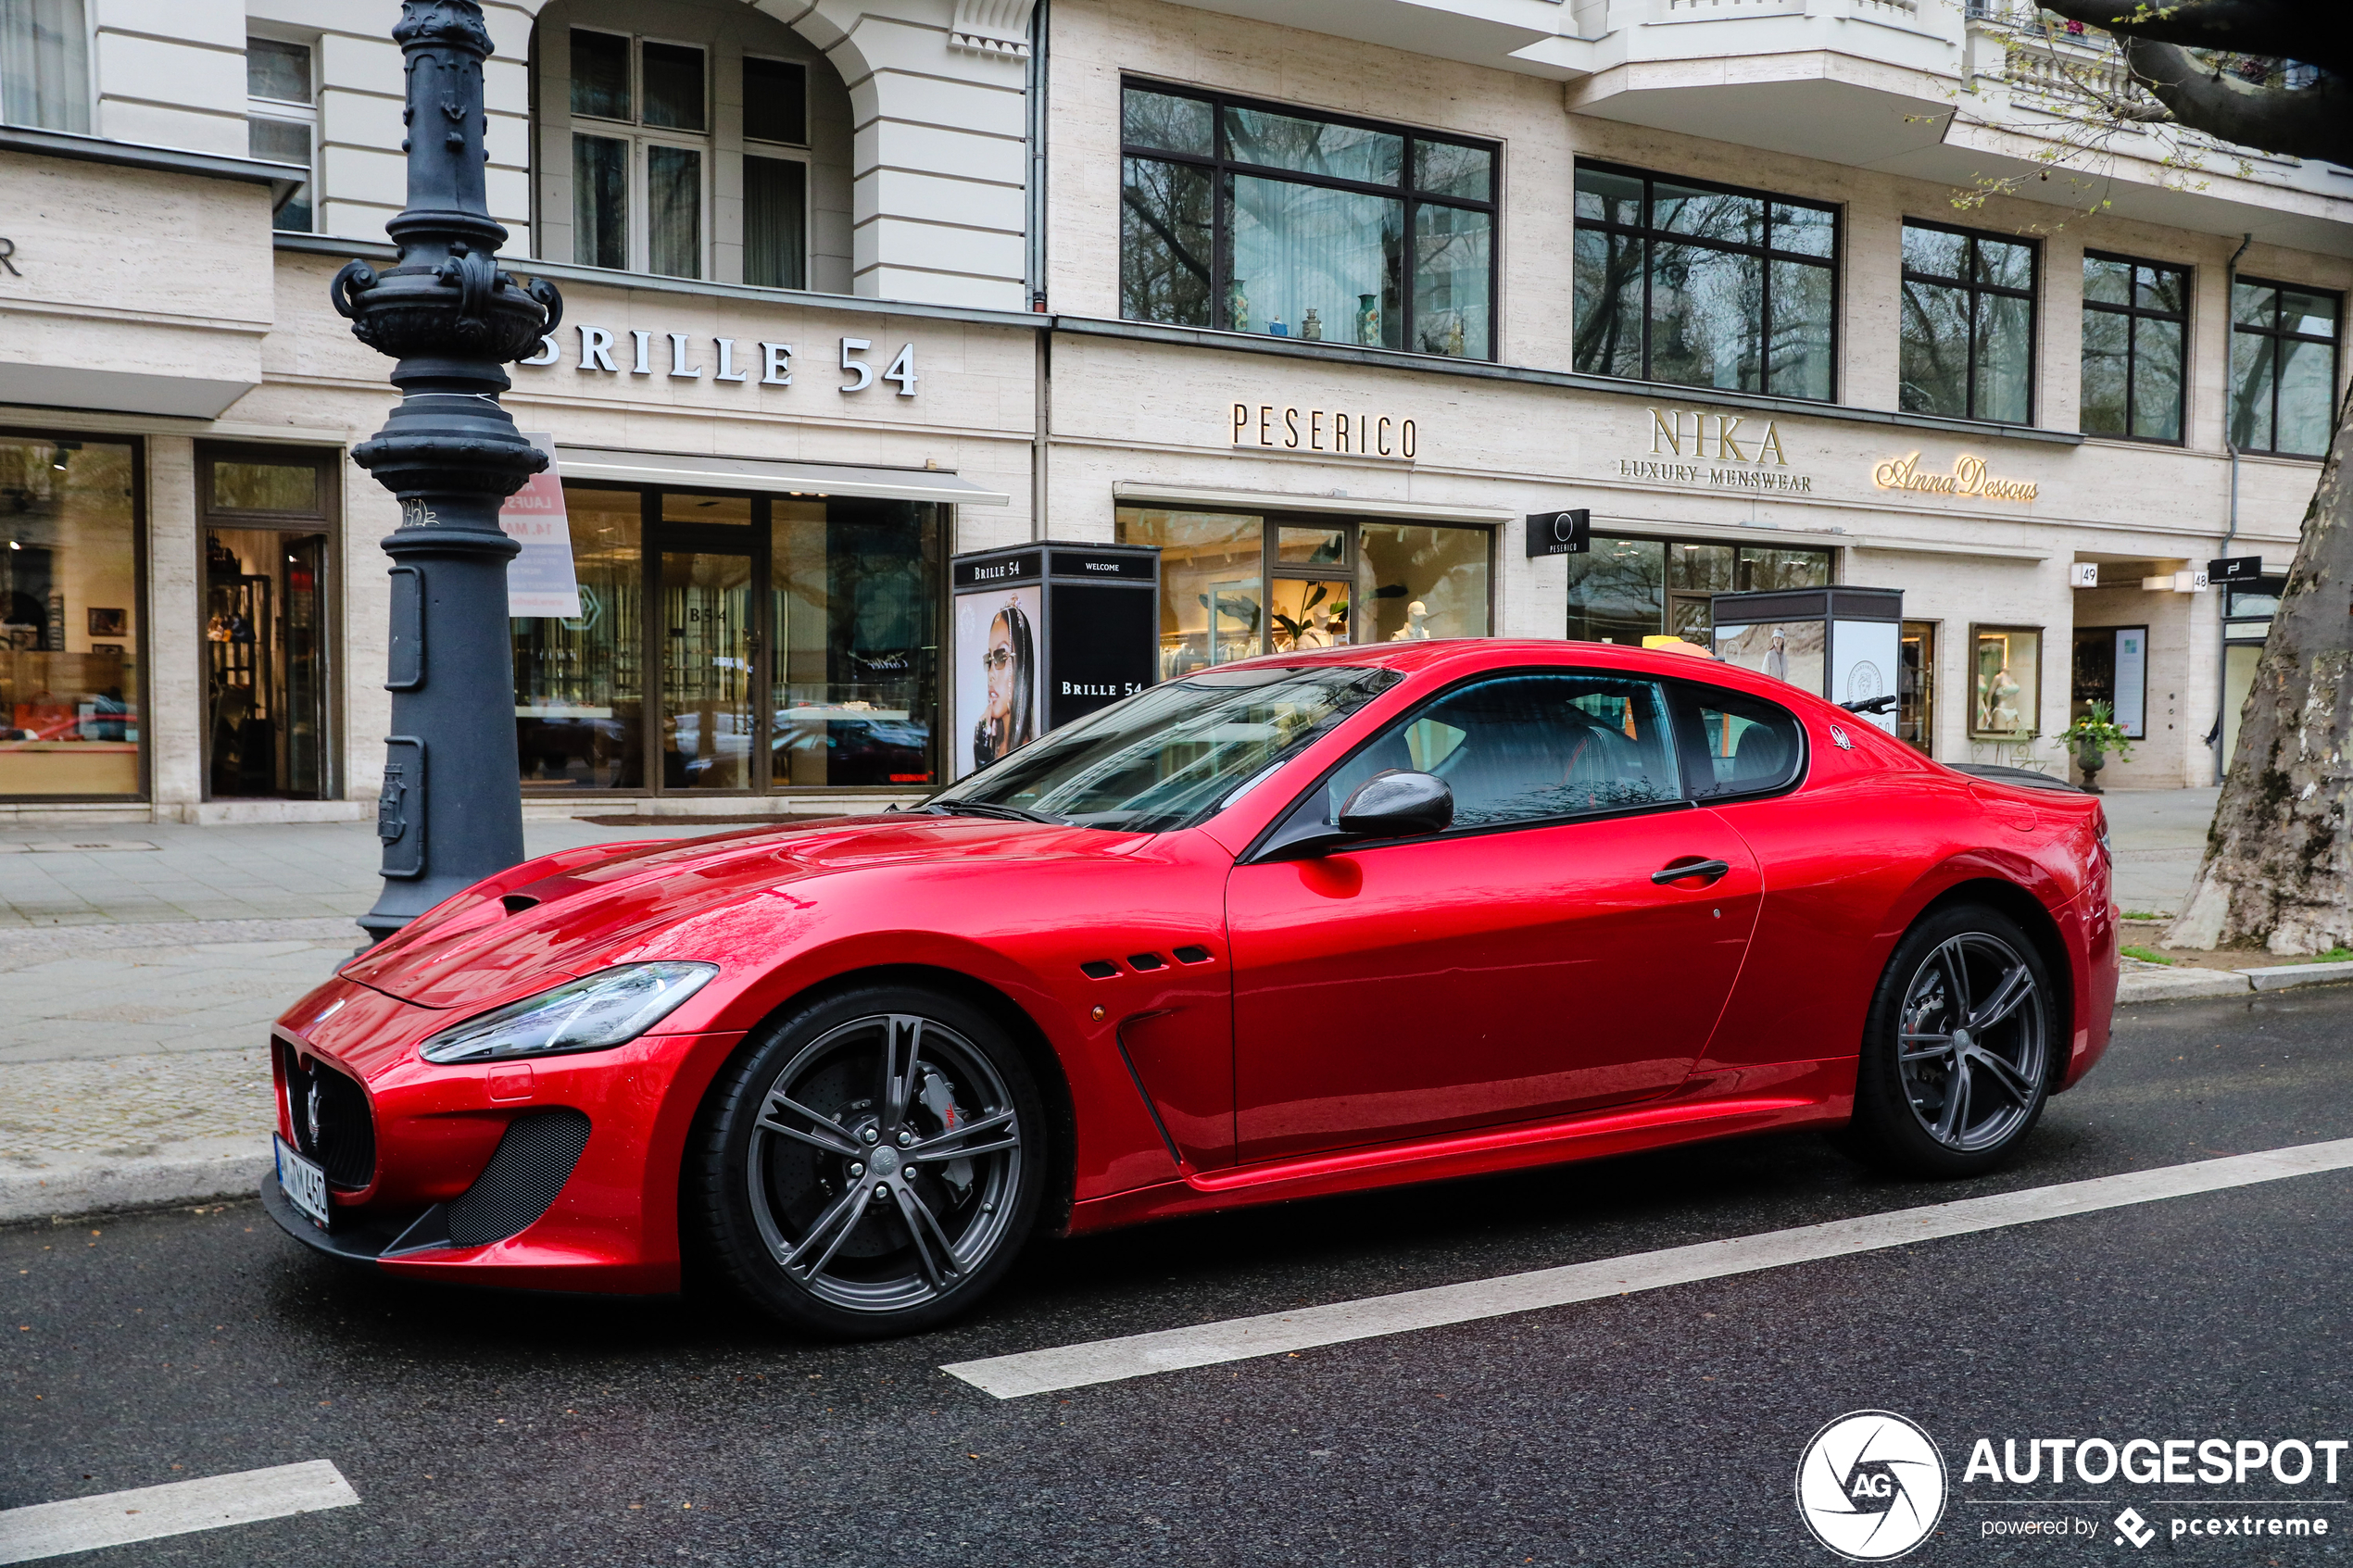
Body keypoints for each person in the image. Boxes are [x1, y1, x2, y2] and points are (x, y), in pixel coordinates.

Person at [971, 601, 1035, 767]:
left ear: (1021, 664)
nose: (991, 673)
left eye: (1001, 657)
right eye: (989, 660)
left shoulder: (1027, 756)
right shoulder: (999, 747)